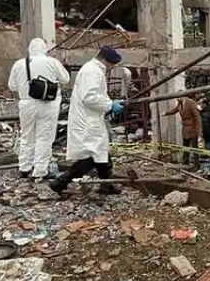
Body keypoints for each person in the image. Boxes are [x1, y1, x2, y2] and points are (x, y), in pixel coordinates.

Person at [50, 46, 125, 196]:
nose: (111, 68)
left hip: (91, 118)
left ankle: (106, 185)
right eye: (111, 64)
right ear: (104, 60)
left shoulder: (93, 69)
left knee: (101, 151)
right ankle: (61, 182)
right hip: (87, 121)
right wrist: (110, 105)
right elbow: (89, 97)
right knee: (92, 156)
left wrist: (110, 103)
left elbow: (96, 95)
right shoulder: (93, 71)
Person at [7, 37, 71, 181]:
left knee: (27, 136)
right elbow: (66, 79)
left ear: (29, 49)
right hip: (48, 104)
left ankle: (24, 168)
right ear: (45, 49)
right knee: (45, 138)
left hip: (26, 104)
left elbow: (12, 86)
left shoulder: (19, 64)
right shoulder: (52, 62)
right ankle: (40, 171)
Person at [163, 95, 202, 169]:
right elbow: (175, 110)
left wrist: (199, 131)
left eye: (178, 98)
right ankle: (185, 162)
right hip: (185, 128)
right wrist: (166, 113)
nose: (177, 99)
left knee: (194, 148)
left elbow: (197, 117)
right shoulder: (180, 103)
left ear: (183, 96)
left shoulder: (191, 103)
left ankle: (196, 165)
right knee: (185, 146)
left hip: (192, 128)